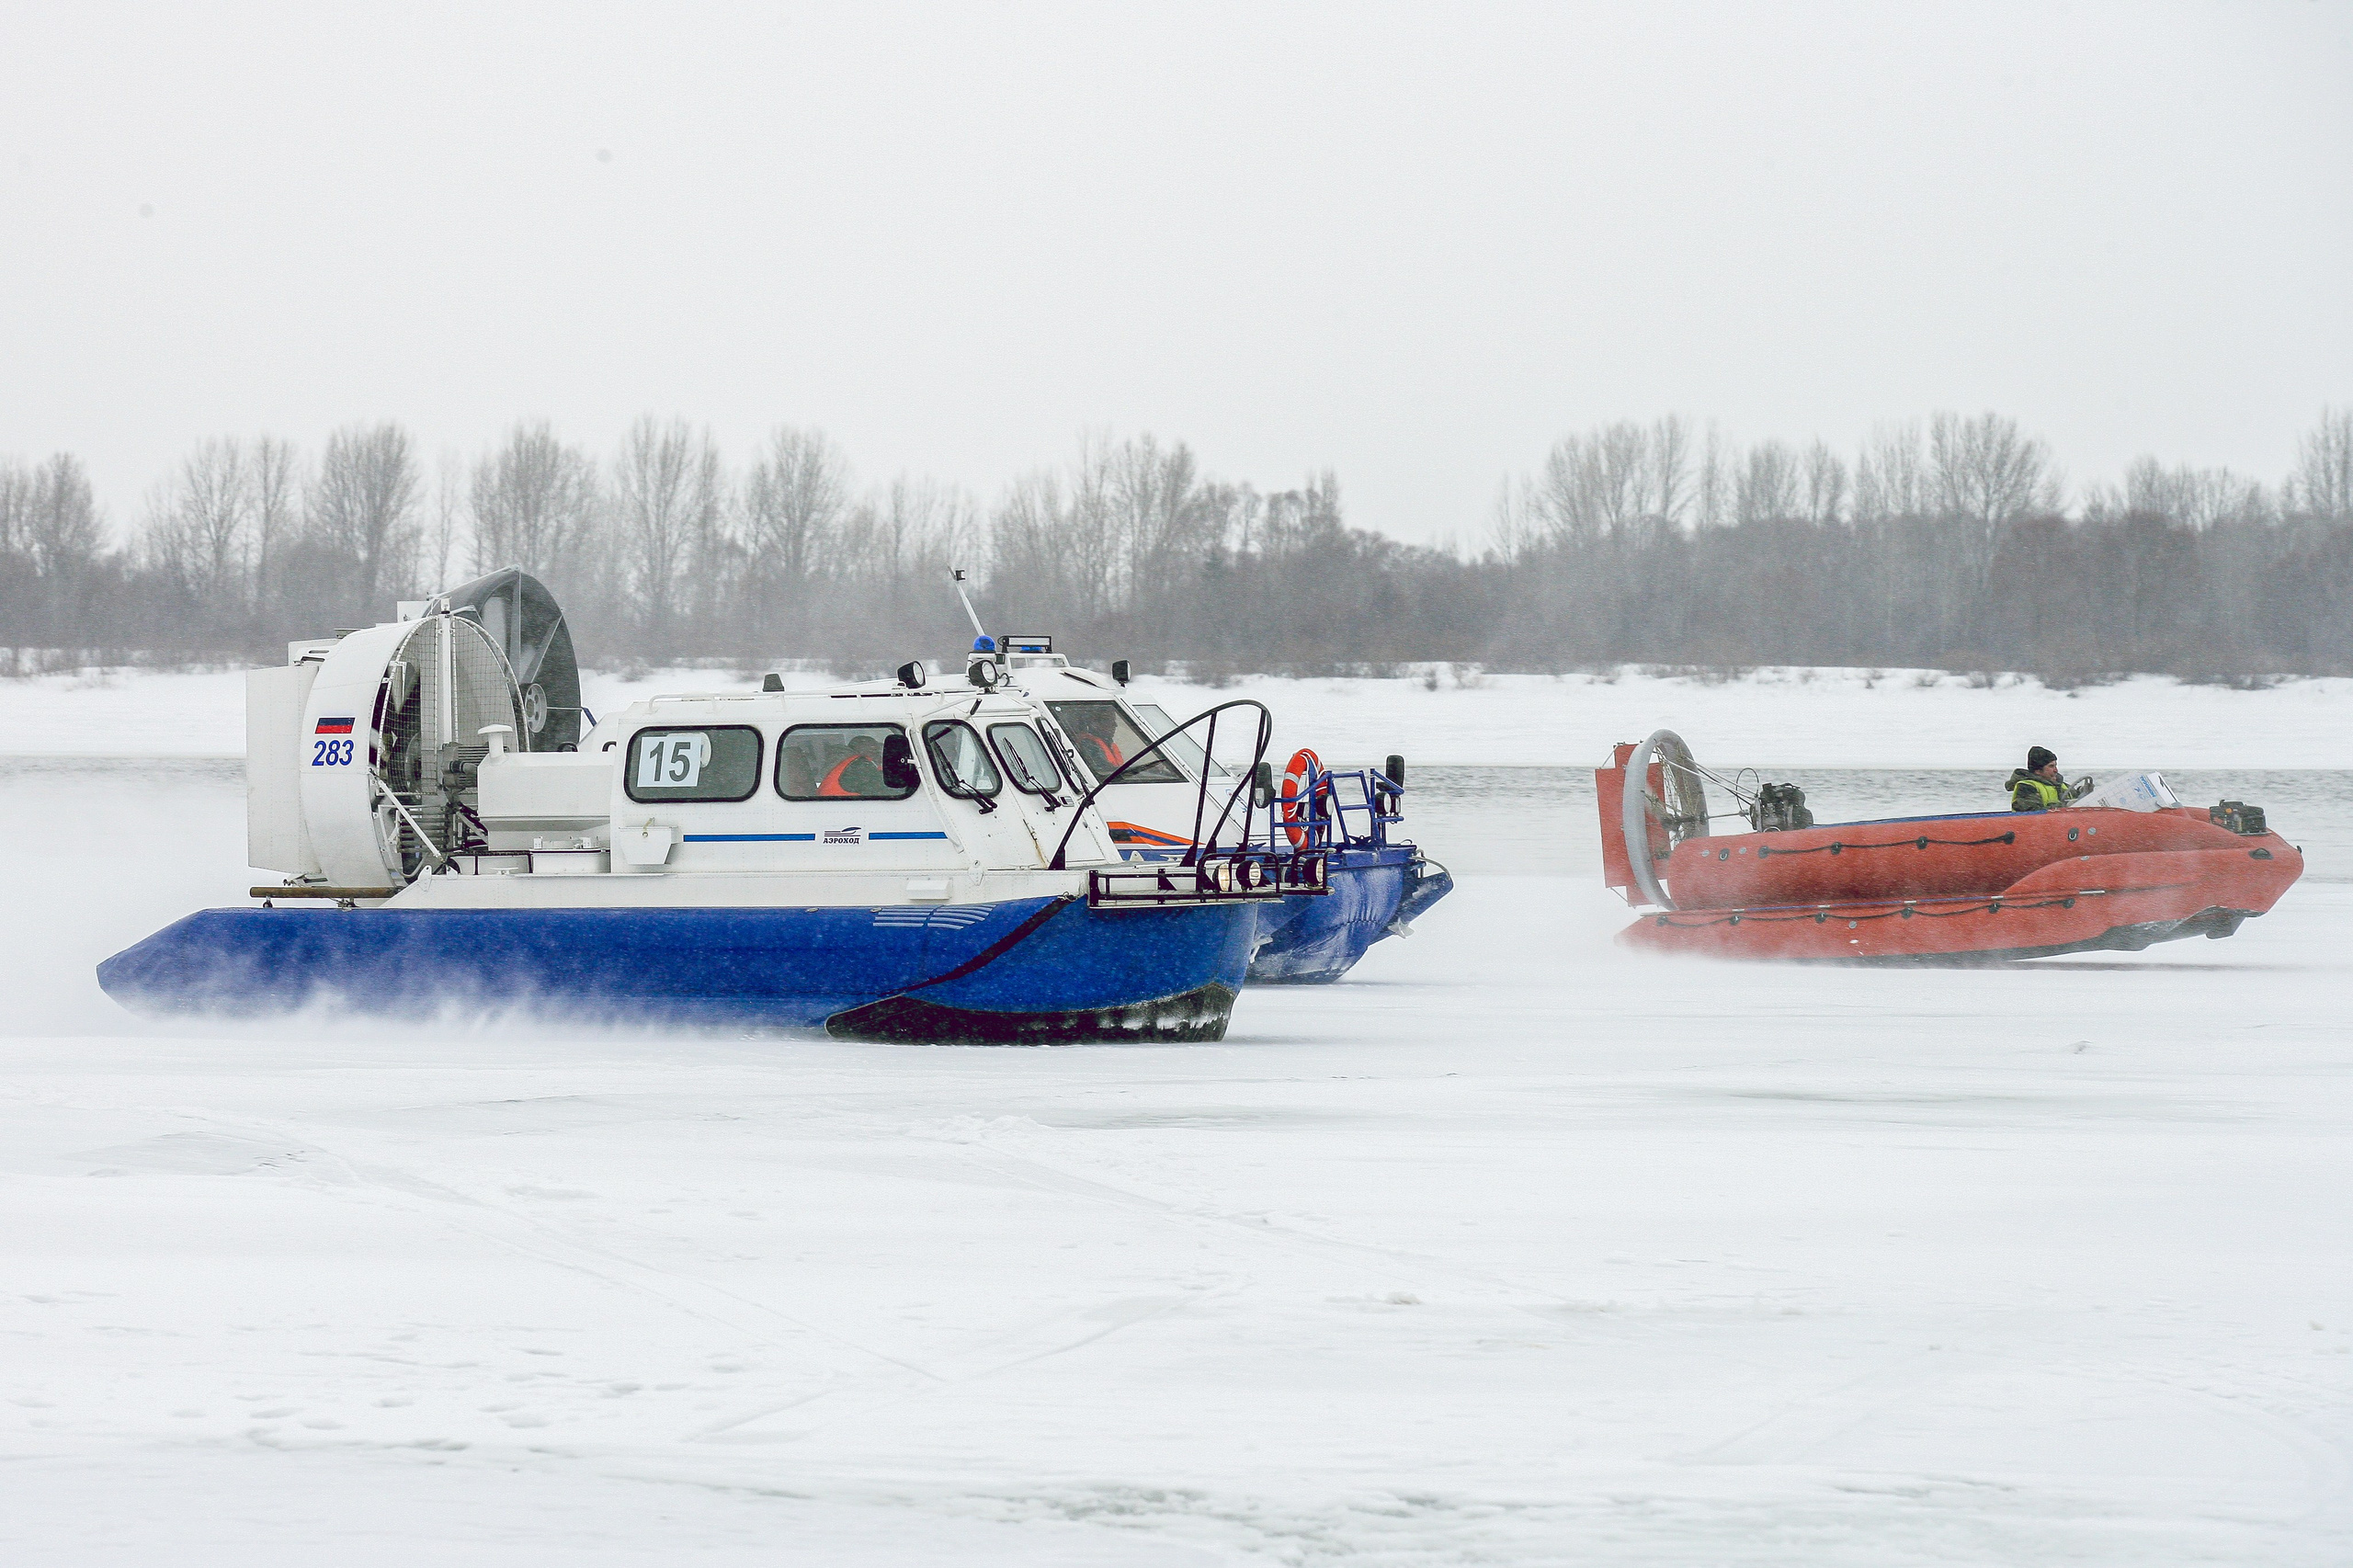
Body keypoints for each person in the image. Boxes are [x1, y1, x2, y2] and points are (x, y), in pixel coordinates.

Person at [2007, 745, 2067, 812]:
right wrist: (2066, 806)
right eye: (2051, 766)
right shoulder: (2026, 788)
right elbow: (2032, 812)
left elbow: (2076, 796)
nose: (2056, 770)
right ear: (2038, 771)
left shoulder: (2062, 785)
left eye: (2055, 765)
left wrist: (2080, 791)